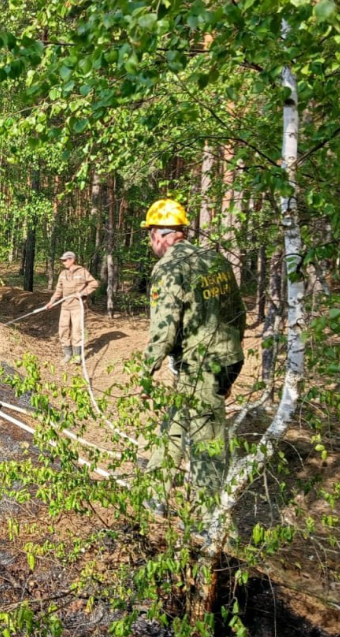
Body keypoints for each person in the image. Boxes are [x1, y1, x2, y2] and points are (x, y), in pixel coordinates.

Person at [140, 198, 246, 510]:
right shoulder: (214, 260)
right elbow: (238, 314)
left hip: (202, 366)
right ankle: (154, 492)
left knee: (206, 442)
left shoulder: (169, 268)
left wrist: (145, 372)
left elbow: (164, 329)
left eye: (150, 237)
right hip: (224, 359)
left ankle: (207, 518)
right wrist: (231, 370)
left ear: (159, 236)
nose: (151, 244)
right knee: (174, 423)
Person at [45, 251, 98, 365]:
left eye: (65, 260)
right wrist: (51, 301)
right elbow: (59, 290)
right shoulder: (63, 273)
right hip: (65, 306)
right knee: (63, 329)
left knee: (77, 330)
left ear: (72, 260)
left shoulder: (82, 272)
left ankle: (77, 356)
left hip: (77, 307)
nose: (63, 262)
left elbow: (94, 284)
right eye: (62, 260)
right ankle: (67, 354)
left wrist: (83, 293)